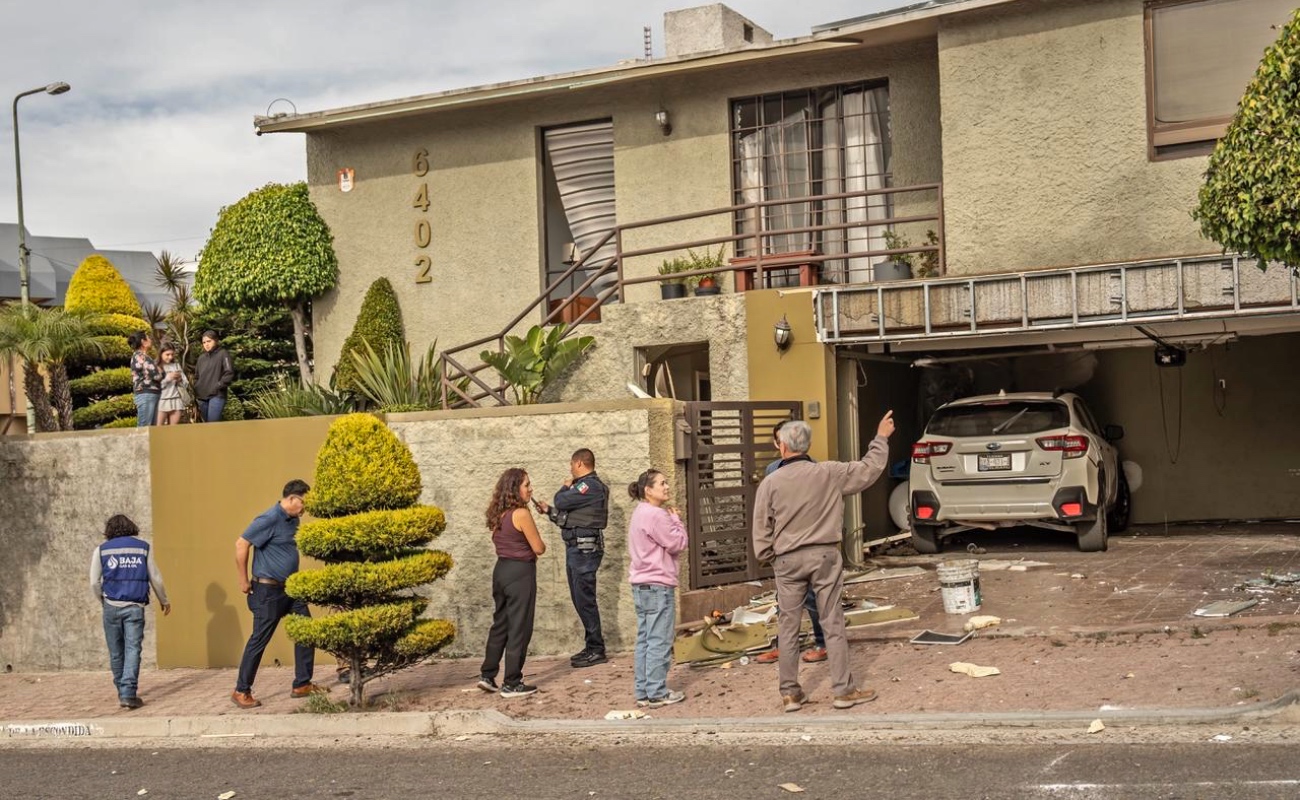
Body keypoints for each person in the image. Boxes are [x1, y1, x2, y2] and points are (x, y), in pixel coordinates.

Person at [752, 412, 895, 713]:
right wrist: (880, 437)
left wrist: (768, 557)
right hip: (825, 555)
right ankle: (843, 691)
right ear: (807, 444)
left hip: (787, 560)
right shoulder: (829, 472)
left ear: (783, 446)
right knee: (832, 622)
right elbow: (869, 469)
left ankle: (790, 694)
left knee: (788, 626)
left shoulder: (771, 482)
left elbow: (761, 526)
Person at [231, 479, 322, 709]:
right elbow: (241, 544)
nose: (305, 508)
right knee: (259, 639)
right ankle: (241, 691)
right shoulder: (269, 518)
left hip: (291, 588)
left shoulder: (293, 520)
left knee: (306, 629)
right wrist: (243, 580)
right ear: (292, 498)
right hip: (268, 590)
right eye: (303, 503)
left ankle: (302, 683)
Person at [756, 419, 827, 665]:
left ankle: (823, 643)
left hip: (808, 546)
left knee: (813, 598)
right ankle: (785, 646)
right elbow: (767, 513)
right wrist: (769, 550)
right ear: (778, 443)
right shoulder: (771, 472)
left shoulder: (813, 469)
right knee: (784, 603)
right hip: (783, 549)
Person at [533, 448, 608, 668]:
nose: (570, 469)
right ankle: (592, 645)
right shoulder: (585, 489)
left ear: (579, 464)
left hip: (584, 552)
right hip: (577, 550)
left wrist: (563, 489)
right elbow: (569, 518)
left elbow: (562, 501)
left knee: (585, 599)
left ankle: (597, 649)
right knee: (580, 599)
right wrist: (549, 511)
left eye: (571, 465)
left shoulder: (589, 485)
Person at [477, 468, 547, 698]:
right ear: (515, 488)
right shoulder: (521, 514)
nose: (531, 489)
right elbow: (539, 548)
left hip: (501, 570)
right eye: (527, 485)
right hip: (520, 572)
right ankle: (512, 682)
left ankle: (488, 674)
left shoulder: (500, 513)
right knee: (519, 626)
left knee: (501, 624)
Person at [89, 514, 170, 709]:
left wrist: (104, 600)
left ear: (109, 530)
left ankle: (122, 691)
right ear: (131, 527)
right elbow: (155, 577)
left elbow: (94, 582)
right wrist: (164, 600)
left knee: (116, 652)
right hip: (135, 606)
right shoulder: (143, 547)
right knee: (133, 649)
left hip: (111, 605)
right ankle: (128, 692)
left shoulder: (101, 550)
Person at [626, 469, 688, 708]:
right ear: (648, 490)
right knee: (659, 640)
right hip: (658, 584)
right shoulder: (656, 515)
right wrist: (676, 520)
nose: (667, 486)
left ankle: (643, 690)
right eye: (662, 483)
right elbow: (677, 543)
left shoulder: (639, 512)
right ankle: (657, 692)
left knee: (645, 639)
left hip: (641, 585)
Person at [194, 330, 235, 423]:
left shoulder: (223, 354)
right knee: (207, 425)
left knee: (213, 424)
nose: (206, 344)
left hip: (217, 395)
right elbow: (196, 376)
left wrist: (218, 386)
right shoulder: (201, 358)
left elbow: (229, 372)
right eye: (204, 342)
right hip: (202, 397)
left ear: (216, 341)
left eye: (209, 341)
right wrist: (196, 388)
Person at [127, 331, 161, 427]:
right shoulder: (140, 356)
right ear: (143, 341)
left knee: (151, 430)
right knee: (144, 428)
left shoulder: (142, 356)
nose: (150, 339)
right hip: (146, 394)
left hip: (150, 394)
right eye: (148, 337)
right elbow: (155, 375)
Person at [155, 344, 190, 426]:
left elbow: (186, 383)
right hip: (161, 401)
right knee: (158, 429)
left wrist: (180, 380)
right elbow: (154, 386)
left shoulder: (176, 366)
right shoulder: (155, 367)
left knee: (173, 429)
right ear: (161, 354)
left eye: (172, 354)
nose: (170, 357)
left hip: (176, 400)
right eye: (167, 354)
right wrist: (168, 378)